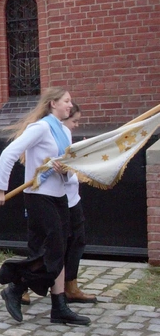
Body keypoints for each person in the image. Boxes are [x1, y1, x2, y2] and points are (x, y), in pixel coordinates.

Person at [0, 88, 90, 326]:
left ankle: (58, 307)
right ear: (53, 103)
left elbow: (66, 167)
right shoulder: (41, 127)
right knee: (53, 248)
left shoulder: (65, 131)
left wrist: (65, 171)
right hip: (38, 196)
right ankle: (16, 284)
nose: (70, 105)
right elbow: (9, 153)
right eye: (66, 101)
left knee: (60, 249)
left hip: (59, 196)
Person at [60, 103, 96, 304]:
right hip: (58, 200)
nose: (76, 125)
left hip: (73, 199)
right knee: (51, 247)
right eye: (74, 121)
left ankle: (70, 284)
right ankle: (20, 282)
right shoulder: (57, 135)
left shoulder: (67, 135)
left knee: (77, 241)